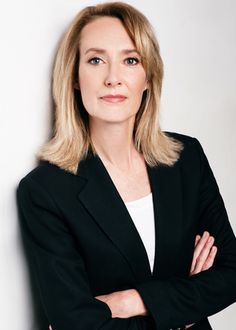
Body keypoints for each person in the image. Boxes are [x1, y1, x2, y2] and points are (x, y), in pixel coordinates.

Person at [16, 2, 236, 330]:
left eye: (130, 60)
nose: (113, 78)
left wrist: (130, 301)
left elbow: (230, 274)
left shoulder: (186, 158)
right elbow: (75, 322)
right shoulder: (45, 191)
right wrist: (182, 309)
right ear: (75, 77)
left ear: (148, 77)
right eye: (95, 60)